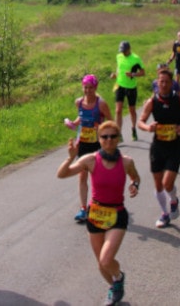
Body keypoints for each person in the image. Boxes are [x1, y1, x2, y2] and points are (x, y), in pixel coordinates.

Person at [57, 121, 141, 306]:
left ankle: (118, 278)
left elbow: (136, 177)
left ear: (118, 138)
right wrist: (70, 158)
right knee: (101, 264)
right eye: (104, 137)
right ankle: (114, 287)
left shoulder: (126, 162)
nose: (109, 140)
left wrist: (135, 185)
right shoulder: (90, 160)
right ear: (99, 139)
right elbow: (62, 174)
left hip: (117, 215)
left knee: (106, 259)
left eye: (113, 136)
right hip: (95, 215)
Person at [137, 69, 180, 228]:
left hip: (174, 146)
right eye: (160, 81)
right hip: (157, 147)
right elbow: (140, 122)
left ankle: (174, 200)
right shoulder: (152, 102)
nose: (163, 84)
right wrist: (148, 127)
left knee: (167, 183)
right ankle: (165, 213)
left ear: (172, 84)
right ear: (157, 82)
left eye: (166, 82)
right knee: (158, 185)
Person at [64, 74, 113, 223]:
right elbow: (81, 118)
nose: (88, 90)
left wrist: (101, 127)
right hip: (84, 143)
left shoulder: (101, 104)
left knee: (98, 175)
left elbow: (111, 121)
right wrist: (73, 123)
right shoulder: (79, 102)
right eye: (85, 87)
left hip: (98, 144)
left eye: (91, 88)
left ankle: (100, 205)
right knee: (82, 175)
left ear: (95, 88)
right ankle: (83, 209)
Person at [111, 41, 145, 141]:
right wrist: (115, 75)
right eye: (121, 51)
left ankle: (133, 129)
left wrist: (132, 75)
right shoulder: (119, 56)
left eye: (124, 51)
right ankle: (119, 133)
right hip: (119, 85)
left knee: (132, 110)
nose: (123, 53)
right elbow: (119, 68)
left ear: (129, 49)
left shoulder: (136, 58)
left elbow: (143, 73)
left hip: (131, 87)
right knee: (118, 110)